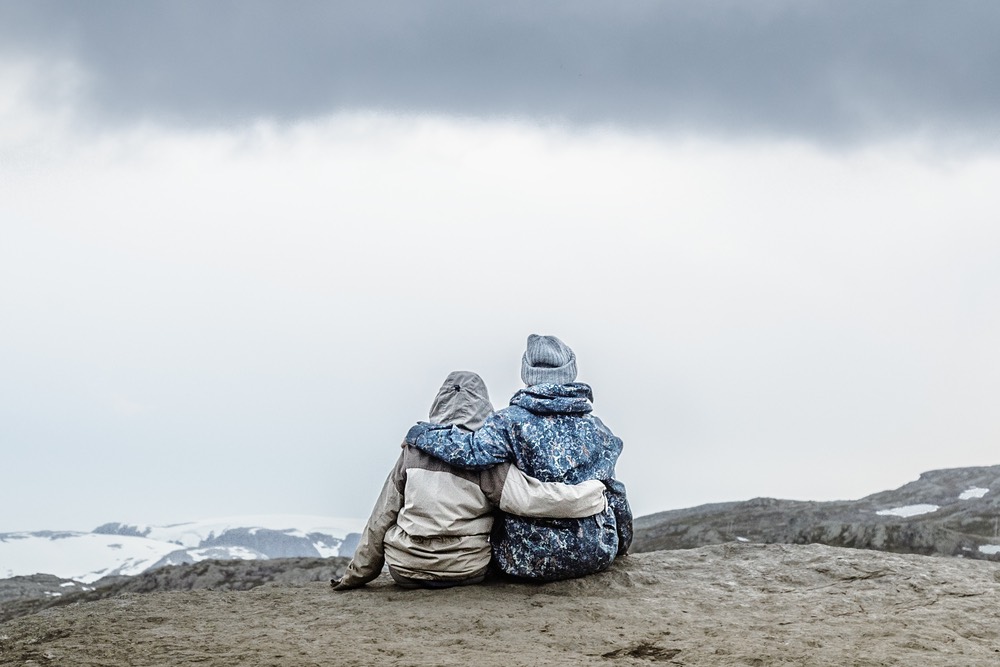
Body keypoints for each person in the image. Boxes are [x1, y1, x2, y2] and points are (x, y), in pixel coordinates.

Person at [333, 370, 609, 590]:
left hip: (404, 569)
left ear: (439, 401)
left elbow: (381, 517)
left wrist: (356, 576)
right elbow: (531, 500)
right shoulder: (485, 458)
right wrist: (591, 494)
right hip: (465, 570)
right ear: (482, 404)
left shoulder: (412, 453)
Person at [406, 335, 632, 581]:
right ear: (571, 371)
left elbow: (472, 453)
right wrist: (621, 544)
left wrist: (423, 435)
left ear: (527, 373)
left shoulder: (508, 422)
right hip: (596, 552)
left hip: (527, 557)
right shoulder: (598, 429)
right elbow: (615, 492)